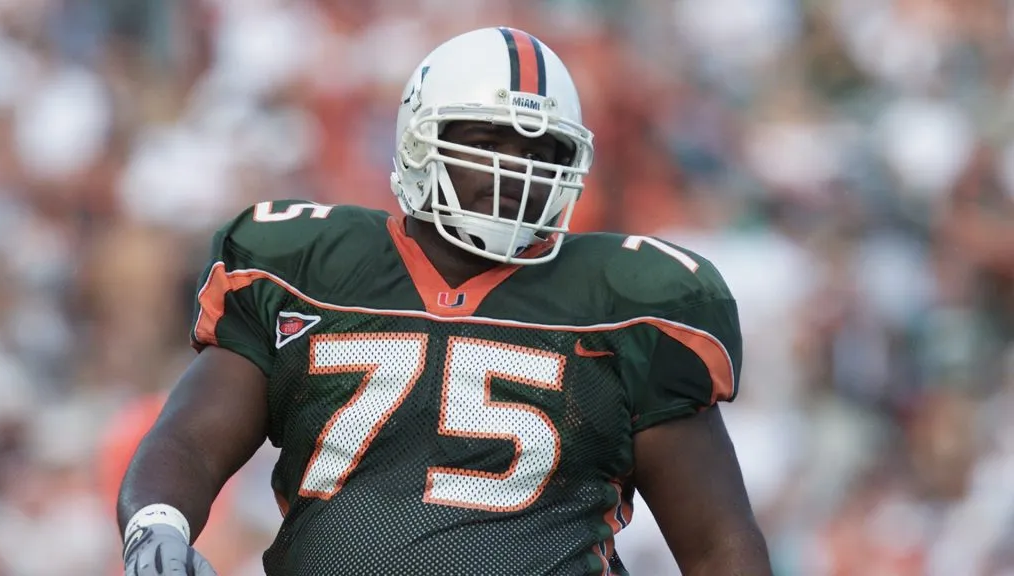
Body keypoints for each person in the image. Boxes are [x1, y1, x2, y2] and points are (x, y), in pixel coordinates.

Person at [117, 26, 772, 575]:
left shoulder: (628, 300)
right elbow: (192, 442)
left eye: (542, 152)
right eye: (486, 144)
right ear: (417, 141)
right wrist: (157, 526)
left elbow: (718, 543)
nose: (515, 172)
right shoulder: (306, 265)